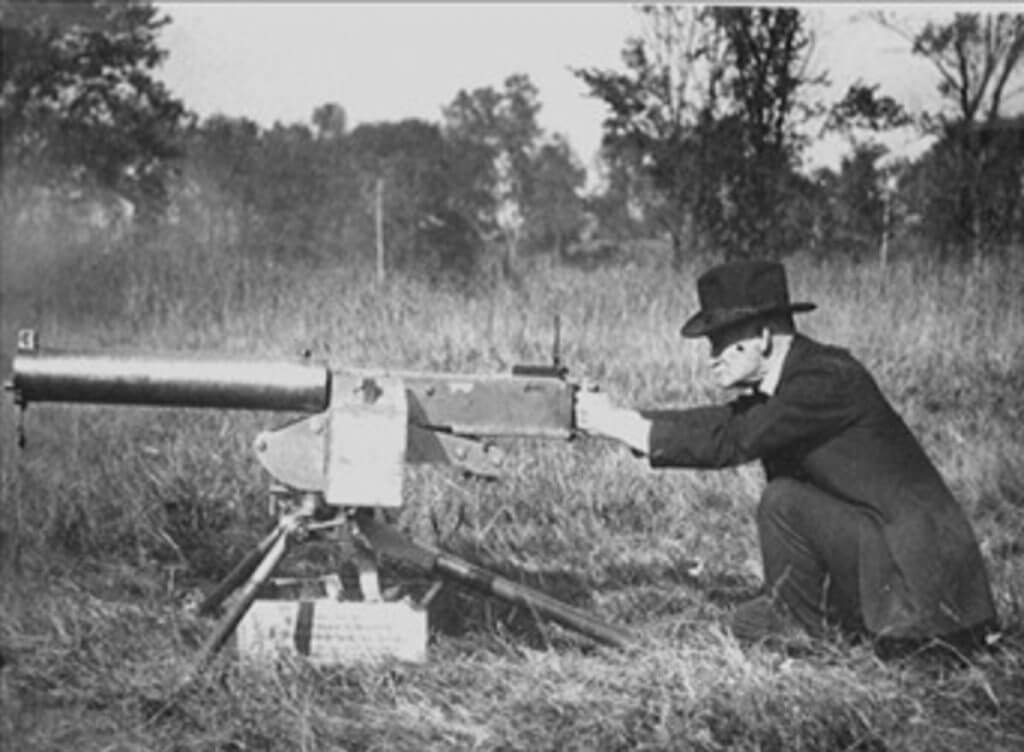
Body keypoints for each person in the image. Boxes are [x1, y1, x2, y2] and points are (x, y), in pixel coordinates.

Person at [576, 259, 998, 651]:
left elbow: (732, 440)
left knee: (782, 501)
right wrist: (617, 417)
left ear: (762, 337)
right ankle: (811, 619)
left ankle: (803, 625)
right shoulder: (799, 379)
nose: (712, 358)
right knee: (746, 613)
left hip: (926, 599)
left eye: (721, 341)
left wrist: (612, 424)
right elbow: (722, 422)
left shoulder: (824, 379)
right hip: (917, 578)